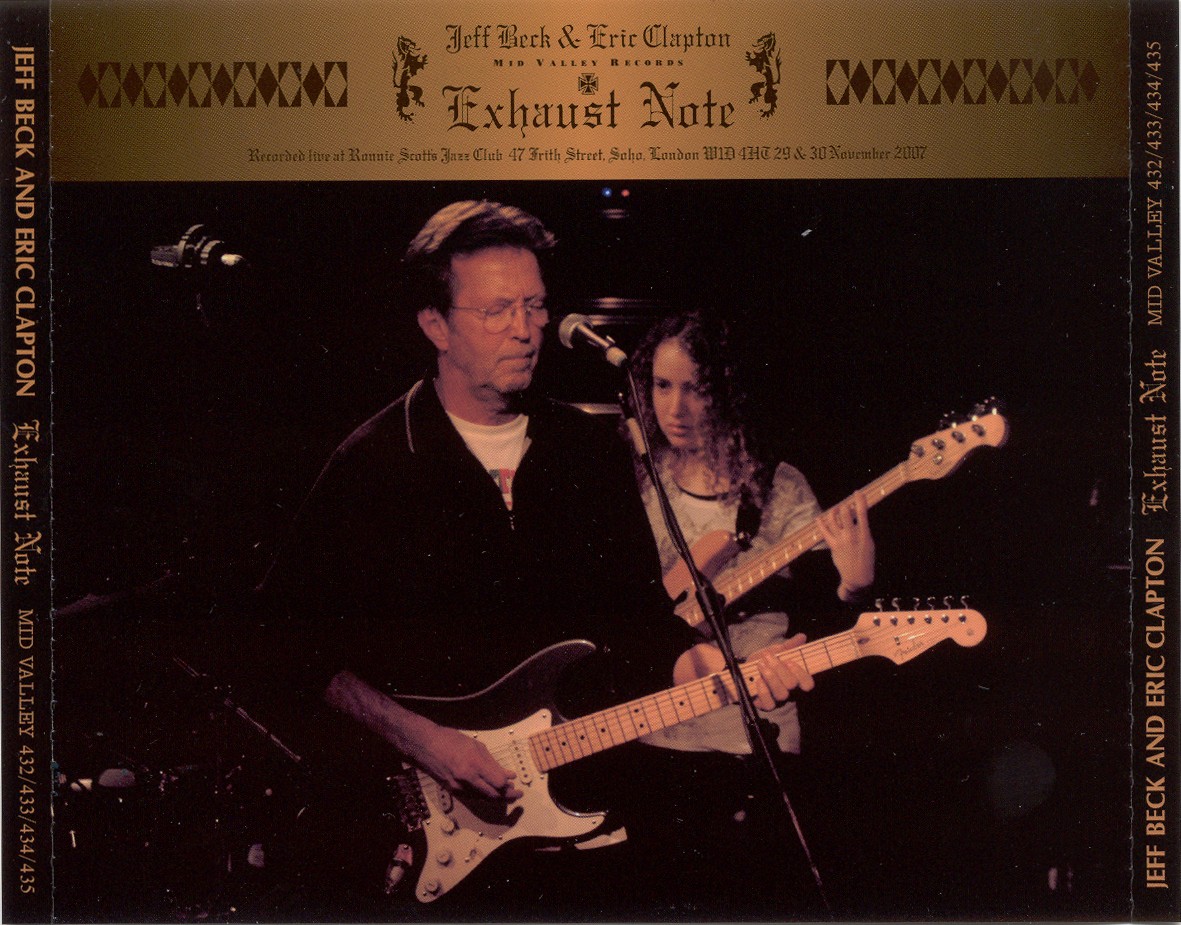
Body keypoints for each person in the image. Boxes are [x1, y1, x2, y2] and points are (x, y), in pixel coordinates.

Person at [262, 202, 811, 920]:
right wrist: (425, 741)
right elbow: (289, 649)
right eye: (497, 311)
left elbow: (638, 628)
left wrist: (730, 674)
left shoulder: (586, 449)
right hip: (437, 837)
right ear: (436, 325)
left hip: (588, 820)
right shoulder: (374, 462)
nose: (526, 330)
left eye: (535, 305)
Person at [619, 311, 876, 915]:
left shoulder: (780, 488)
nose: (675, 407)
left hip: (754, 735)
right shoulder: (636, 482)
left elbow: (829, 631)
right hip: (654, 733)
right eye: (662, 386)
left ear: (727, 391)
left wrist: (855, 587)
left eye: (696, 388)